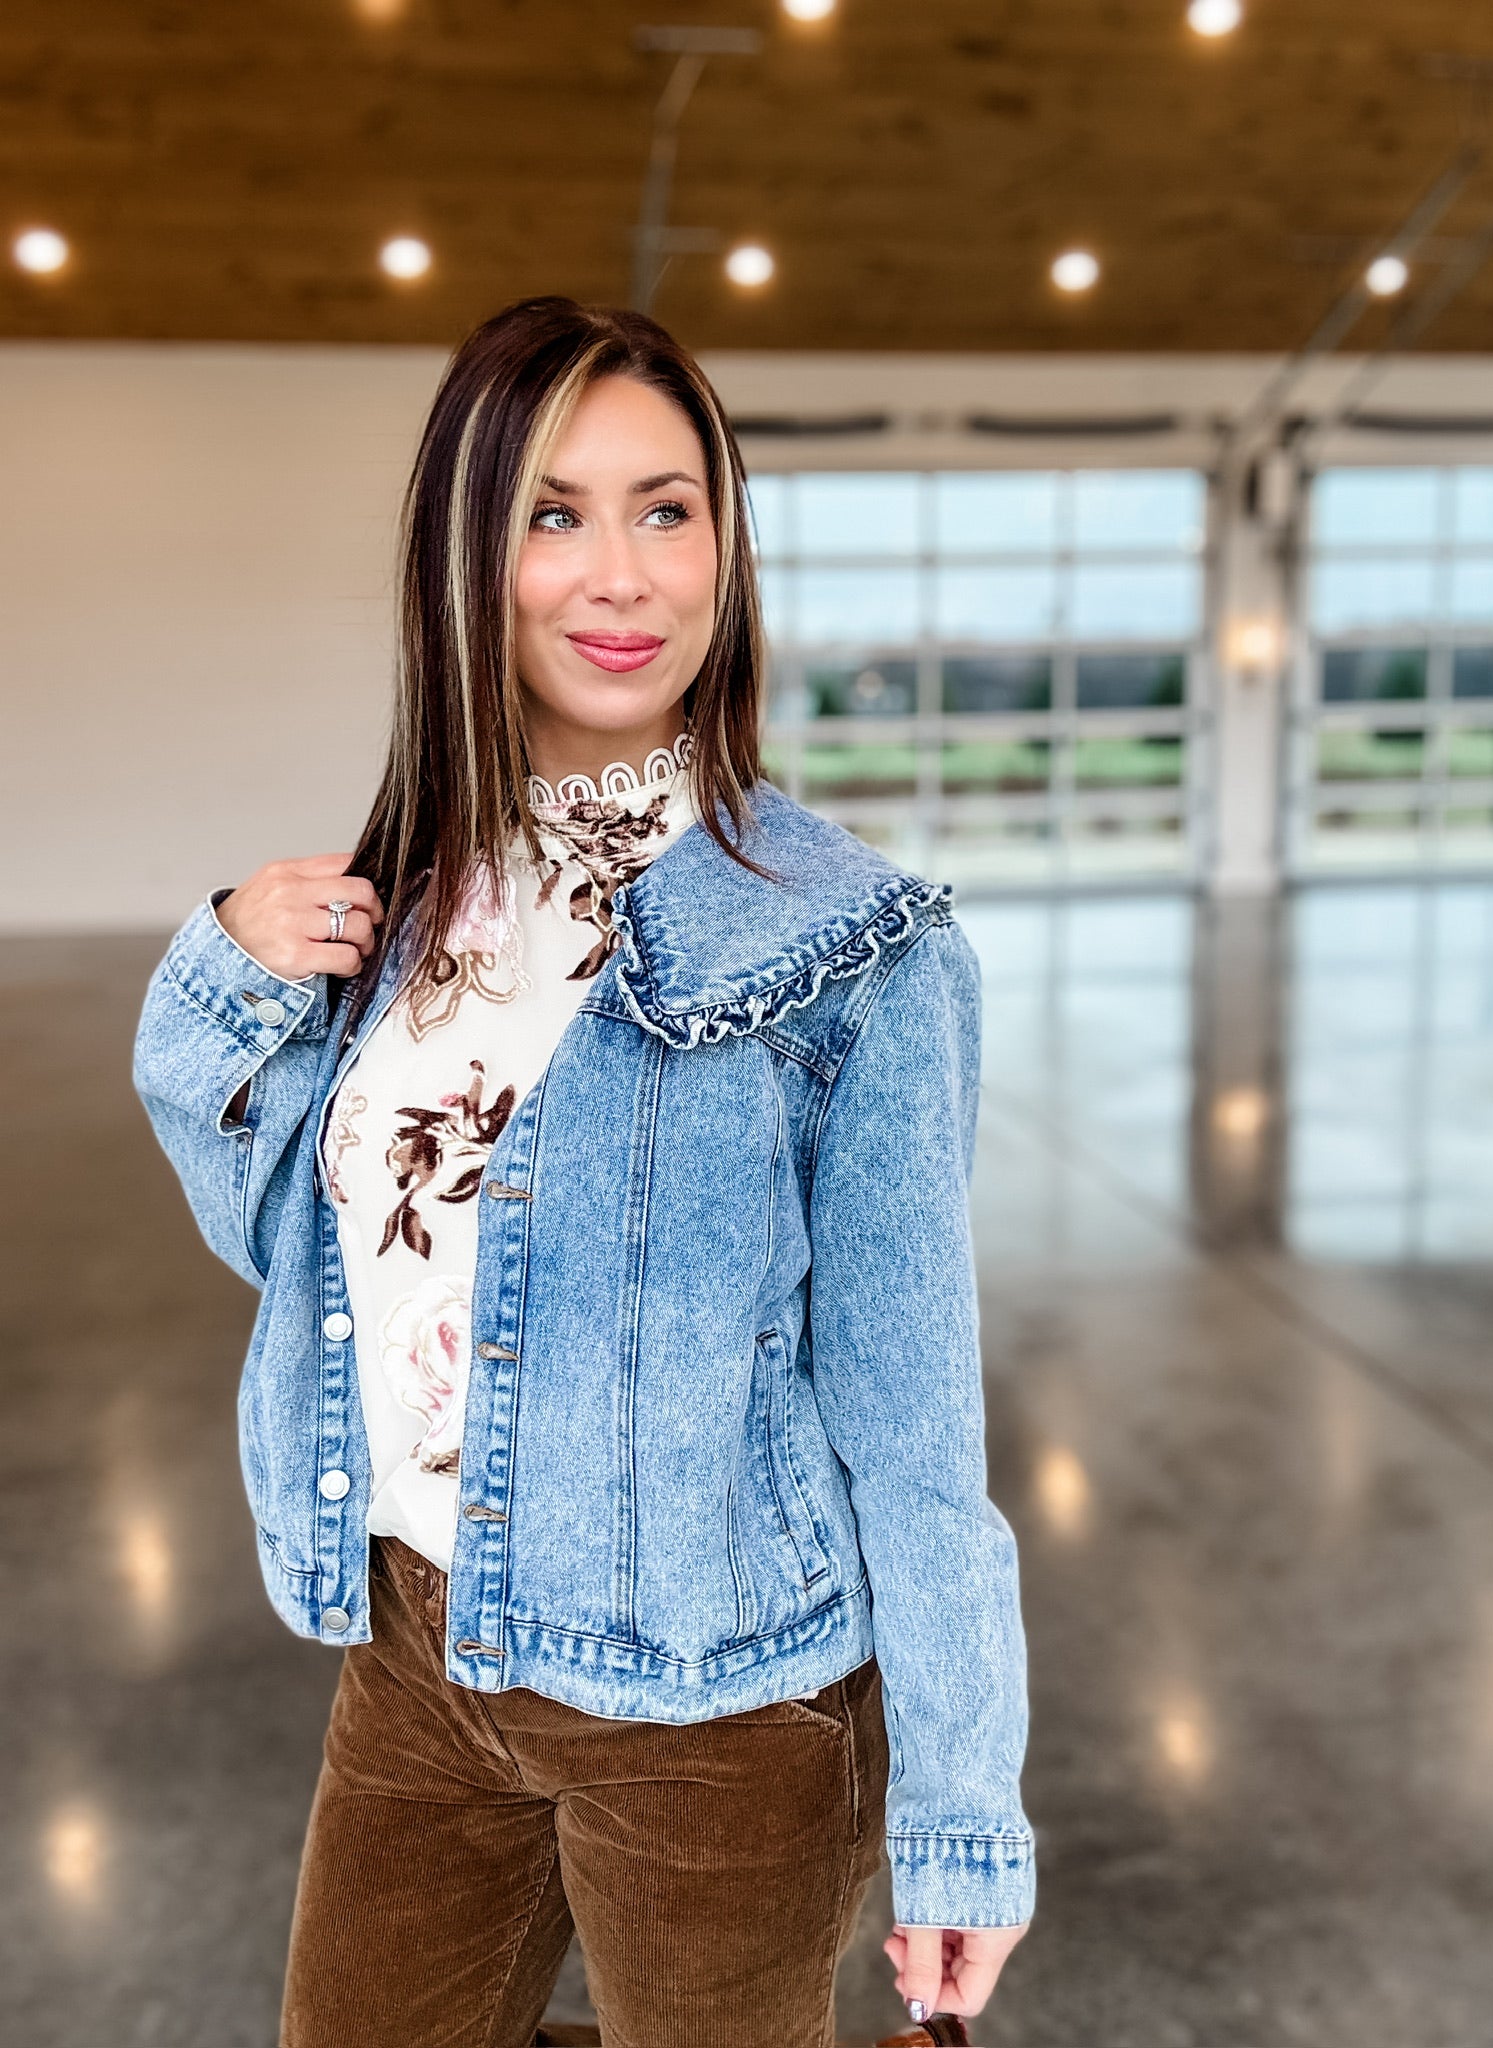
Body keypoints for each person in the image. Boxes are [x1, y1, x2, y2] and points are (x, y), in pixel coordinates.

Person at [133, 295, 1034, 2048]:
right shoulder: (399, 908)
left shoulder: (859, 954)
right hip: (417, 1663)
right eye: (554, 512)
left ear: (724, 549)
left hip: (722, 1711)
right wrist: (220, 974)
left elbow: (918, 1431)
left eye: (666, 509)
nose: (621, 575)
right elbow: (284, 1251)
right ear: (467, 556)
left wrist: (960, 1814)